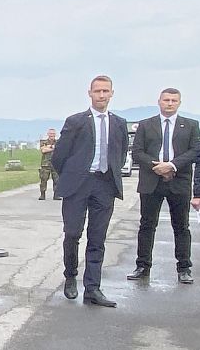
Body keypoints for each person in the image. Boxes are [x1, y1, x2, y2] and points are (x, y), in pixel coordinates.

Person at [51, 75, 128, 308]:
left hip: (104, 185)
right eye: (98, 91)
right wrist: (73, 174)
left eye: (106, 91)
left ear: (112, 93)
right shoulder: (76, 121)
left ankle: (93, 288)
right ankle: (70, 276)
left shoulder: (119, 123)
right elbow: (59, 156)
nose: (102, 95)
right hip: (78, 185)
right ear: (90, 93)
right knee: (73, 233)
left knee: (98, 238)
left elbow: (122, 152)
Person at [126, 88, 200, 284]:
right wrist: (157, 167)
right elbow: (137, 152)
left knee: (182, 226)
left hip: (179, 181)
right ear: (159, 101)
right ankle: (142, 265)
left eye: (174, 100)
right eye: (166, 100)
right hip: (152, 181)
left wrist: (172, 165)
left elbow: (194, 151)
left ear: (179, 103)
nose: (169, 103)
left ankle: (184, 267)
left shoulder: (191, 125)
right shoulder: (145, 125)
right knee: (147, 225)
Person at [38, 128, 60, 200]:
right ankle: (42, 194)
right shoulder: (43, 142)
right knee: (43, 180)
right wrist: (53, 147)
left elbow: (60, 149)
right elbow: (43, 150)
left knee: (57, 180)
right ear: (48, 134)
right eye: (50, 134)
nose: (52, 135)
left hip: (55, 164)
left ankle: (56, 195)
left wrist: (49, 147)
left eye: (53, 134)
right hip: (45, 164)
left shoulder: (58, 142)